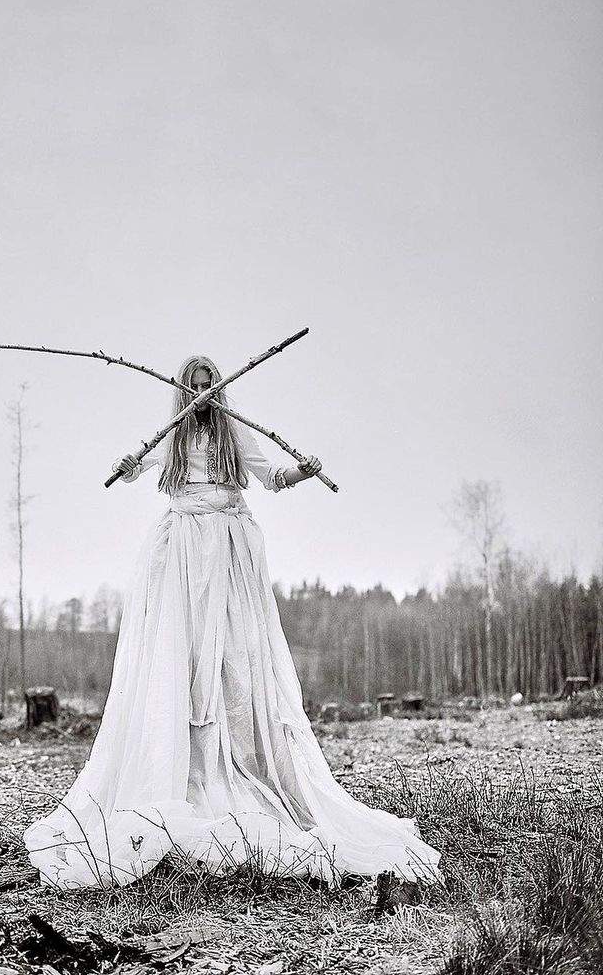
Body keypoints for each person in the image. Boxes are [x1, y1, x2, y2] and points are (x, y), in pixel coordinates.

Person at [23, 355, 442, 890]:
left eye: (209, 387)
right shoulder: (172, 434)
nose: (201, 396)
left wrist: (304, 471)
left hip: (227, 549)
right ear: (182, 391)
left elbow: (272, 477)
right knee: (182, 655)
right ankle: (184, 768)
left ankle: (239, 762)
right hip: (180, 551)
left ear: (218, 389)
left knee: (234, 658)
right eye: (193, 388)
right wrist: (127, 466)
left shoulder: (234, 432)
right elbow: (134, 469)